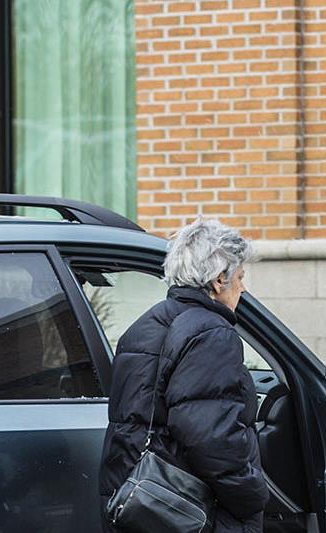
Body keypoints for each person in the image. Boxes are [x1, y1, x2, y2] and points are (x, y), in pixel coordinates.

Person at [99, 219, 267, 533]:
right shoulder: (212, 334)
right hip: (188, 509)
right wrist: (253, 496)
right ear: (219, 279)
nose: (242, 288)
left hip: (142, 501)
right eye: (240, 277)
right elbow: (211, 438)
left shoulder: (144, 326)